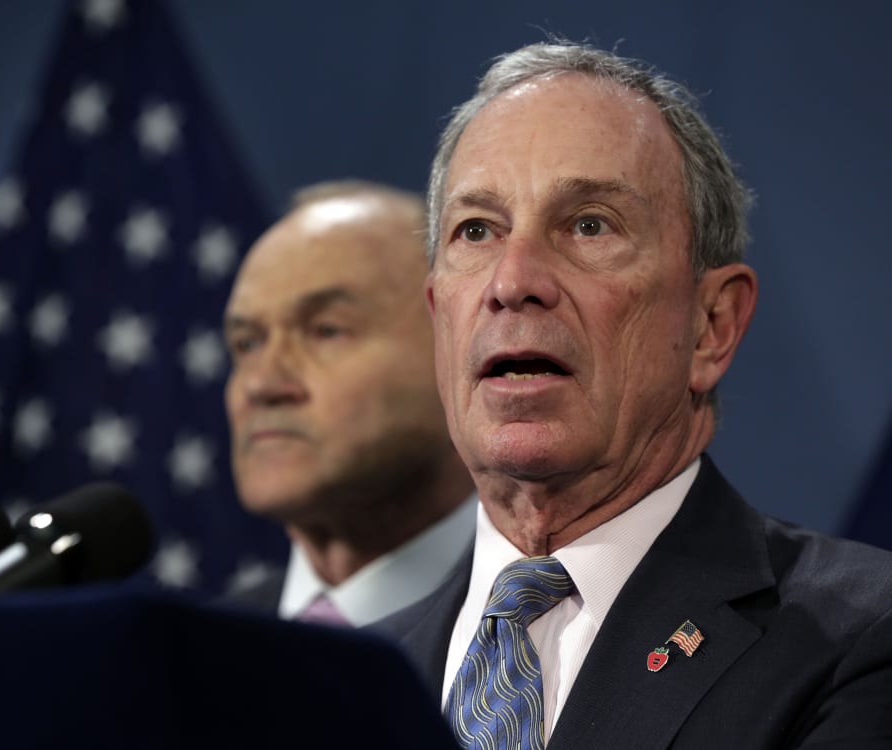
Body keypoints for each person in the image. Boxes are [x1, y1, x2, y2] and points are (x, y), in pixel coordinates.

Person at [375, 39, 892, 748]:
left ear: (712, 326)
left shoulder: (861, 637)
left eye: (590, 225)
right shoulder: (346, 682)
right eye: (477, 230)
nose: (512, 280)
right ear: (439, 317)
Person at [222, 180, 476, 627]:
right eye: (247, 343)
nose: (261, 384)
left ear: (462, 349)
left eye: (326, 330)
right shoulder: (191, 661)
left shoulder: (547, 628)